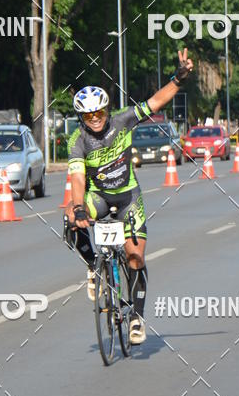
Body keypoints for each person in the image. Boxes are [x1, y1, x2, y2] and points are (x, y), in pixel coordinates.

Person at [64, 48, 194, 345]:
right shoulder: (77, 141)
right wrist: (78, 207)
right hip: (98, 196)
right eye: (88, 114)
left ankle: (136, 317)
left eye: (99, 112)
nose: (95, 119)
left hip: (127, 197)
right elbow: (77, 176)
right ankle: (92, 267)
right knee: (71, 218)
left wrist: (178, 78)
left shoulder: (122, 121)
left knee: (135, 257)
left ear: (107, 111)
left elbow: (156, 101)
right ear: (80, 117)